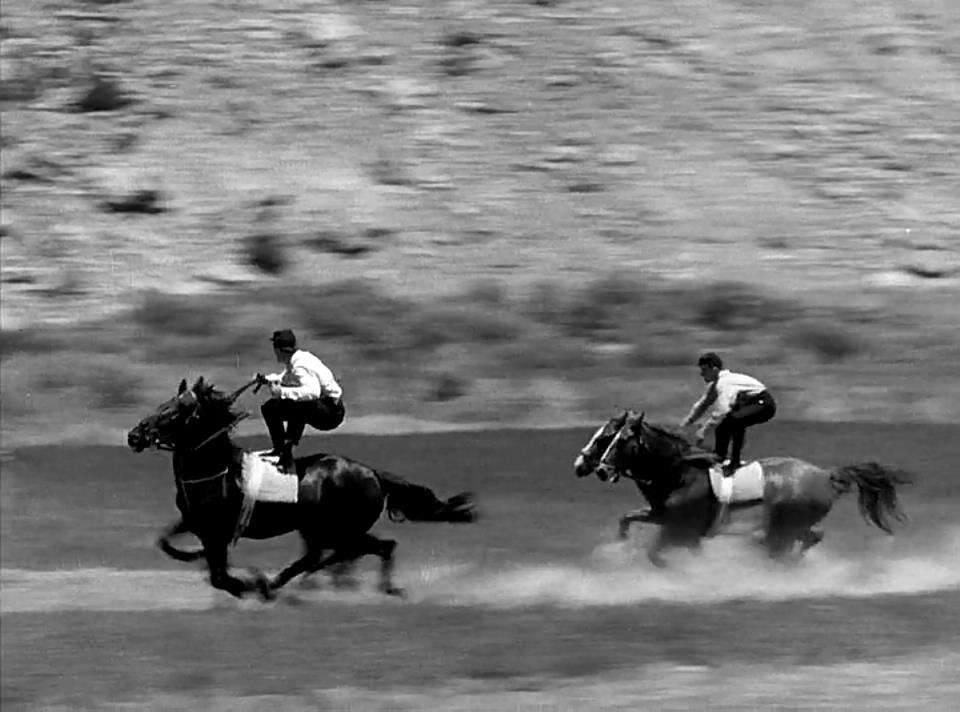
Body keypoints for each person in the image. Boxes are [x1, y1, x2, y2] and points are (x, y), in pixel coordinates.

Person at [259, 329, 345, 472]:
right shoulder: (295, 360)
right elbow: (284, 378)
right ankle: (279, 449)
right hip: (324, 406)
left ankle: (286, 456)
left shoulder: (299, 365)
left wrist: (282, 392)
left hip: (331, 413)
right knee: (270, 408)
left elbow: (312, 392)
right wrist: (266, 380)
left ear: (280, 350)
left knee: (299, 406)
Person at [680, 352, 776, 476]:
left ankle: (732, 462)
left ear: (714, 369)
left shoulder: (724, 383)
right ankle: (720, 456)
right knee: (727, 422)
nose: (701, 374)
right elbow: (701, 405)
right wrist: (685, 424)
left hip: (763, 404)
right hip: (753, 403)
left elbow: (722, 411)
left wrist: (703, 431)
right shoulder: (715, 385)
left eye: (704, 370)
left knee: (733, 419)